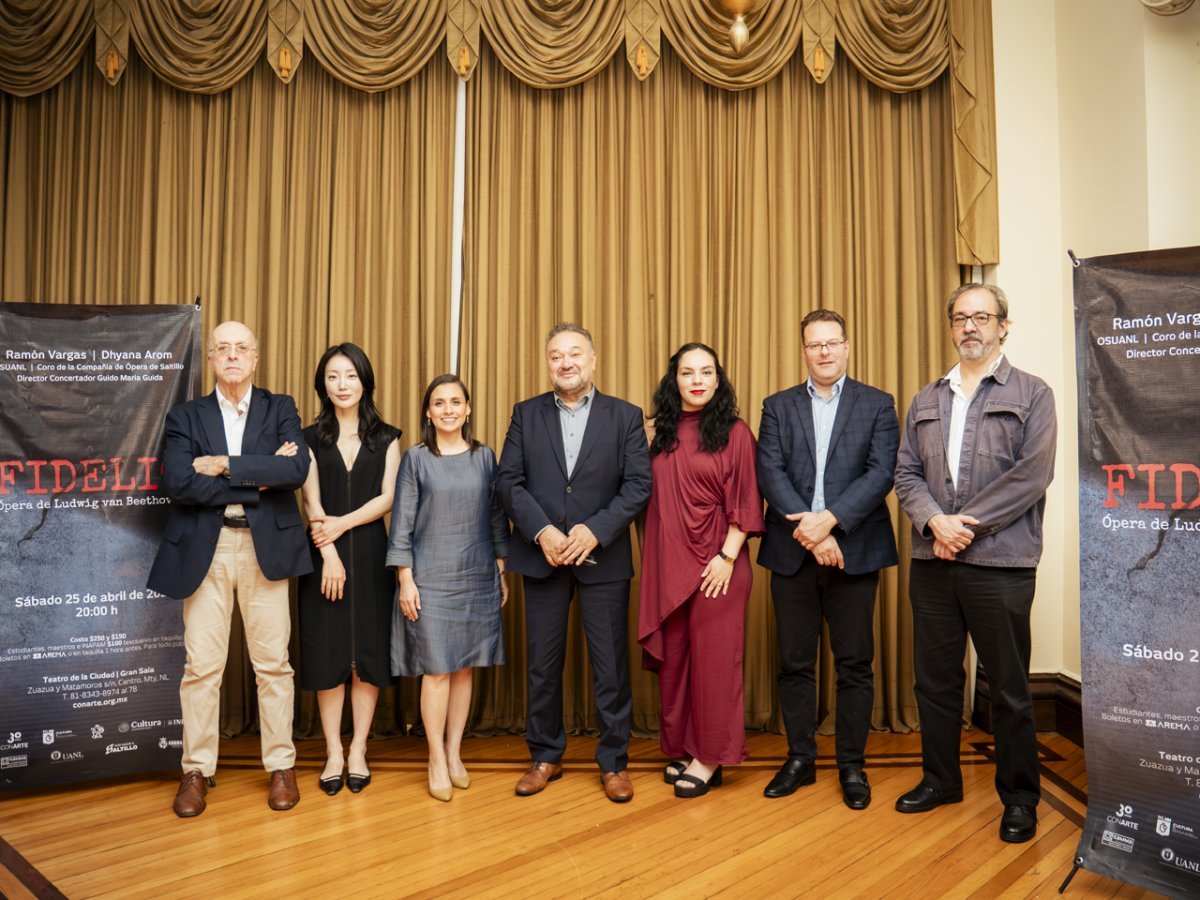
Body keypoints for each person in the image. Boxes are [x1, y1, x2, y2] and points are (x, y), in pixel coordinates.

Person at [894, 283, 1056, 843]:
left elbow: (1032, 477)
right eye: (960, 317)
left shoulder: (1034, 394)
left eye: (981, 316)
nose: (970, 326)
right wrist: (933, 522)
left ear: (1003, 326)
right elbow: (906, 474)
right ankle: (941, 780)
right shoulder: (926, 400)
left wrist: (963, 527)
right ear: (950, 327)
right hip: (932, 561)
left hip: (1001, 564)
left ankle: (1018, 797)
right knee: (935, 684)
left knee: (1008, 687)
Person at [148, 320, 311, 817]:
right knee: (201, 669)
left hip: (266, 551)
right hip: (207, 547)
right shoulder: (185, 415)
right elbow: (176, 480)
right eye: (223, 349)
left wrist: (219, 463)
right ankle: (196, 770)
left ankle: (281, 766)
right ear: (212, 360)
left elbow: (294, 470)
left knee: (274, 666)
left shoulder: (280, 407)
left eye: (242, 349)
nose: (233, 356)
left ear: (256, 358)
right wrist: (256, 472)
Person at [496, 323, 652, 804]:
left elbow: (638, 485)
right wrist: (542, 531)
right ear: (548, 364)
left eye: (575, 354)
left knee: (610, 668)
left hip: (601, 558)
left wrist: (594, 530)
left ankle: (613, 762)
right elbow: (508, 481)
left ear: (593, 358)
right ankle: (545, 755)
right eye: (556, 356)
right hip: (542, 555)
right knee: (542, 666)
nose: (566, 363)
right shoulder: (526, 414)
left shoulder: (626, 416)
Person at [755, 310, 899, 810]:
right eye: (814, 344)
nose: (824, 352)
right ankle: (800, 758)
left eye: (832, 343)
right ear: (803, 351)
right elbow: (769, 472)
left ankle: (851, 764)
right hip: (793, 552)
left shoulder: (878, 404)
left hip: (855, 552)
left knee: (855, 664)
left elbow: (882, 473)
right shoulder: (776, 407)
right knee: (794, 663)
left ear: (847, 347)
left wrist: (831, 520)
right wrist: (812, 533)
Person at [638, 342, 764, 799]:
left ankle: (710, 756)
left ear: (718, 379)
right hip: (670, 566)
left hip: (718, 566)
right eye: (687, 372)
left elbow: (748, 499)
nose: (696, 380)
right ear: (675, 381)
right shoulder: (661, 433)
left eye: (705, 371)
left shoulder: (735, 432)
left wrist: (728, 556)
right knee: (677, 664)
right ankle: (687, 748)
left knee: (714, 666)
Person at [387, 374, 509, 802]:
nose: (448, 409)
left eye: (456, 402)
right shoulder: (416, 458)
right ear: (428, 411)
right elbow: (401, 523)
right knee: (436, 671)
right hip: (431, 579)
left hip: (477, 575)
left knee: (464, 667)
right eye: (439, 403)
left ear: (469, 408)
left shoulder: (485, 457)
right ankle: (435, 757)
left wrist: (500, 569)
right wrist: (405, 578)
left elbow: (496, 517)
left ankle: (456, 752)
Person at [297, 344, 401, 796]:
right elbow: (310, 501)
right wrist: (330, 552)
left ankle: (359, 747)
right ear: (323, 383)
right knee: (328, 654)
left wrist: (343, 524)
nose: (342, 385)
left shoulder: (389, 437)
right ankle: (333, 751)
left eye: (351, 376)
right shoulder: (307, 437)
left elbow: (388, 498)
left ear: (365, 382)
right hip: (323, 556)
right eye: (334, 377)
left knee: (367, 655)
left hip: (373, 552)